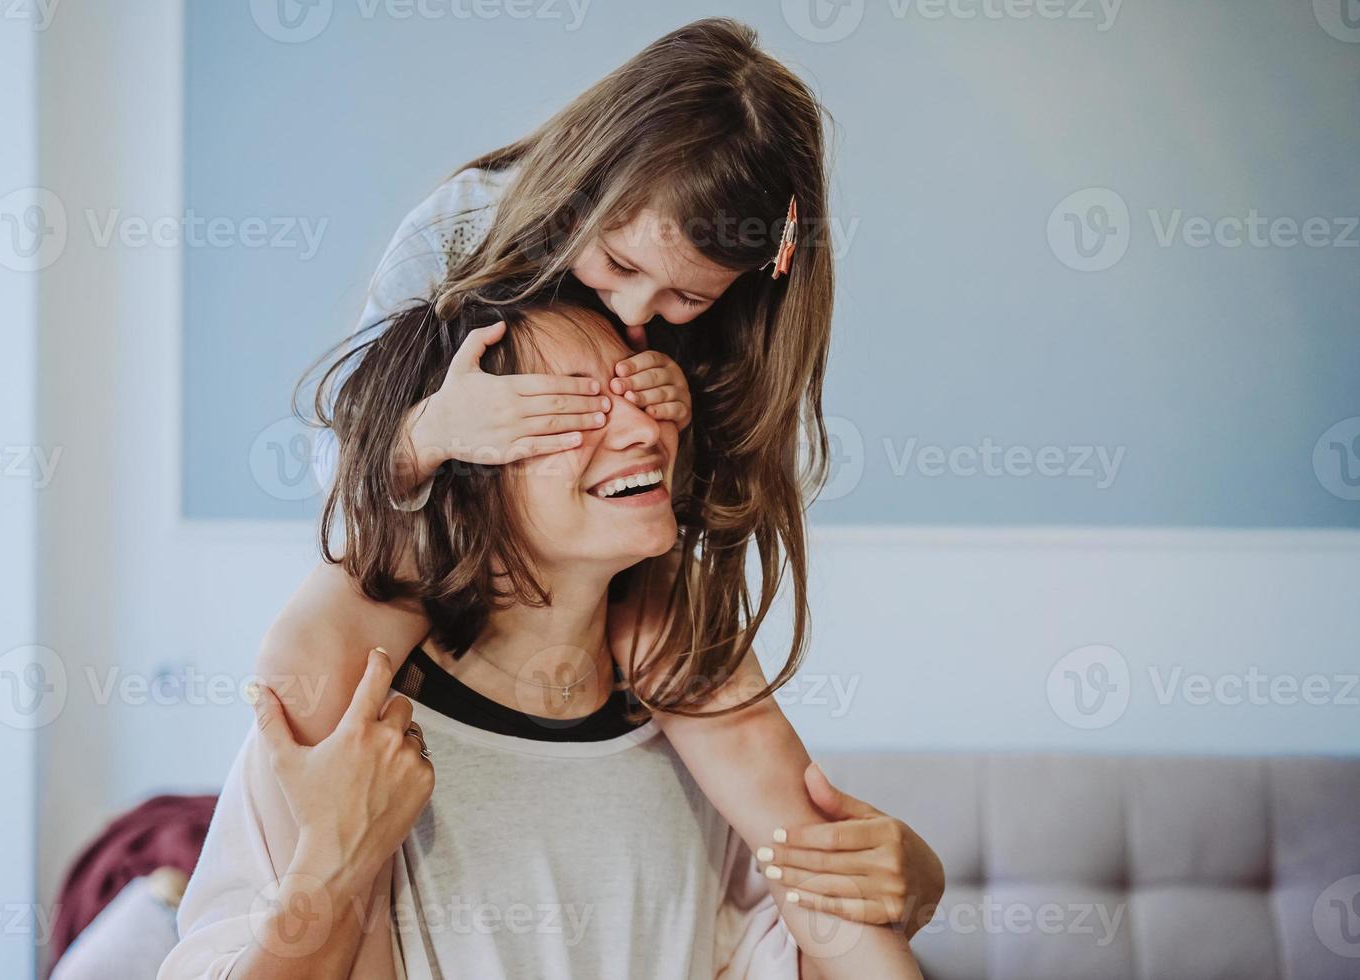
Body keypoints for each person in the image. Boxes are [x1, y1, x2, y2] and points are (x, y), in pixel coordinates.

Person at [269, 17, 944, 950]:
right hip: (426, 540)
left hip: (612, 563)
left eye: (684, 302)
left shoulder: (729, 326)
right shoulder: (469, 220)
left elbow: (694, 497)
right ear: (586, 183)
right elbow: (339, 481)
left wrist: (685, 407)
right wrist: (431, 431)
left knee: (729, 721)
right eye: (620, 267)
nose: (637, 314)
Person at [163, 293, 923, 978]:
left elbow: (787, 957)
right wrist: (332, 864)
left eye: (637, 389)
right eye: (571, 407)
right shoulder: (345, 738)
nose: (642, 430)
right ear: (466, 461)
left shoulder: (690, 735)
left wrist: (910, 887)